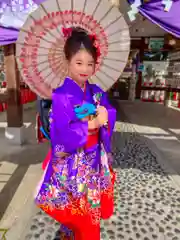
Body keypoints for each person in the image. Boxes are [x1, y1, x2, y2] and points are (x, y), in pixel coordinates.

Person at [35, 28, 116, 240]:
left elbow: (110, 112)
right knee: (76, 209)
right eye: (79, 63)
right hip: (73, 160)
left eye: (90, 63)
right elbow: (60, 132)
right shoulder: (61, 95)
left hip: (93, 159)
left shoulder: (96, 91)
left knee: (90, 211)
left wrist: (106, 114)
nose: (85, 69)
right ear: (68, 61)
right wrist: (91, 125)